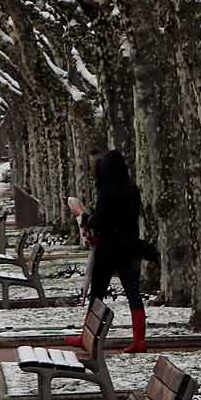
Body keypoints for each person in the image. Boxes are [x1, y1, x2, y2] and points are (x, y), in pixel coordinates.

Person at [68, 149, 147, 354]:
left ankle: (86, 335)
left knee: (97, 293)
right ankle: (140, 338)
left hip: (108, 248)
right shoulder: (132, 189)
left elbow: (100, 219)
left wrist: (84, 217)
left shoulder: (106, 191)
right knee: (133, 293)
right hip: (129, 246)